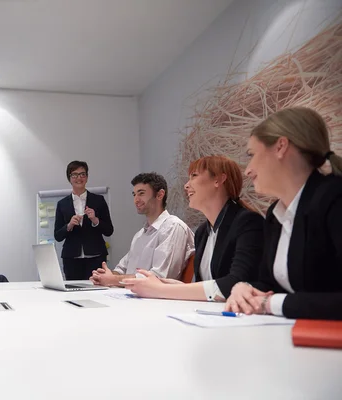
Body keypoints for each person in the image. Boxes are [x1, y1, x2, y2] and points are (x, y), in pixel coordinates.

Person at [225, 107, 342, 320]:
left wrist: (270, 303)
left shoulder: (334, 198)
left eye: (251, 155)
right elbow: (269, 284)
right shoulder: (275, 215)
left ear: (280, 147)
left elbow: (274, 298)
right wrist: (244, 288)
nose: (247, 170)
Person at [123, 156, 264, 301]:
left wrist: (163, 289)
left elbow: (236, 283)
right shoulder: (203, 232)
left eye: (194, 176)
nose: (186, 185)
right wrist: (169, 285)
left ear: (218, 180)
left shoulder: (248, 222)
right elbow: (207, 284)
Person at [91, 172, 194, 287]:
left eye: (141, 193)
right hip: (131, 296)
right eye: (134, 194)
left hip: (156, 301)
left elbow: (159, 277)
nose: (136, 200)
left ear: (160, 195)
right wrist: (104, 276)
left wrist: (113, 279)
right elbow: (121, 270)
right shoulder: (140, 235)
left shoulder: (173, 227)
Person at [54, 161, 114, 280]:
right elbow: (58, 235)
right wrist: (69, 225)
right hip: (71, 258)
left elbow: (109, 230)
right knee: (73, 291)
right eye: (74, 175)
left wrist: (95, 220)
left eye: (82, 174)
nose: (79, 178)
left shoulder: (98, 200)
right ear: (69, 178)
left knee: (97, 290)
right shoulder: (62, 204)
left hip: (96, 256)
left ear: (87, 177)